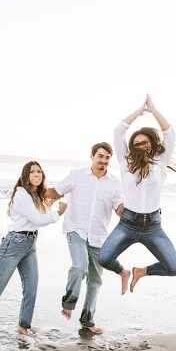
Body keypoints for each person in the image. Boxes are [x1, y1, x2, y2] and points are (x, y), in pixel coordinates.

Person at [0, 161, 67, 337]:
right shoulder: (21, 195)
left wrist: (51, 204)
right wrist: (58, 213)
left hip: (30, 244)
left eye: (39, 172)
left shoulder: (34, 195)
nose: (37, 175)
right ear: (25, 176)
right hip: (13, 244)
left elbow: (39, 217)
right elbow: (38, 220)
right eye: (33, 172)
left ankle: (23, 325)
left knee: (31, 287)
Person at [99, 94, 176, 295]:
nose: (141, 146)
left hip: (153, 226)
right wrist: (138, 112)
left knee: (173, 268)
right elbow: (119, 131)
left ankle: (140, 271)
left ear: (152, 143)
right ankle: (124, 272)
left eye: (145, 142)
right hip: (128, 223)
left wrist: (153, 111)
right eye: (136, 143)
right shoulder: (125, 161)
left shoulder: (160, 162)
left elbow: (170, 133)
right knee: (104, 258)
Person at [47, 142, 124, 334]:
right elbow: (56, 192)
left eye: (107, 158)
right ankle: (69, 302)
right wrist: (31, 189)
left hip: (99, 236)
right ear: (92, 156)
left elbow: (120, 210)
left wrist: (138, 210)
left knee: (96, 280)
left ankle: (87, 321)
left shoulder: (115, 183)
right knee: (79, 266)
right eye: (100, 156)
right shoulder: (76, 175)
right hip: (76, 230)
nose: (103, 161)